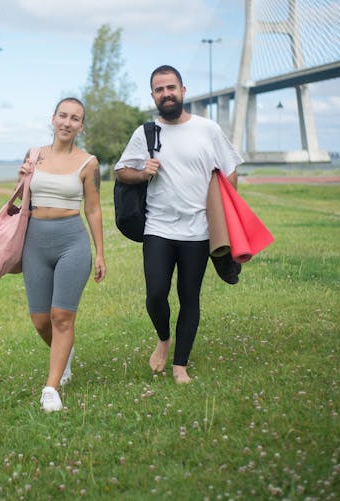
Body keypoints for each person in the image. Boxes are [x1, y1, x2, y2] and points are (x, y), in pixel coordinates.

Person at [114, 65, 242, 385]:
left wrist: (224, 216)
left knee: (189, 296)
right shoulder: (146, 133)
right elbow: (121, 172)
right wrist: (143, 172)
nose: (166, 93)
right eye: (159, 89)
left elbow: (230, 169)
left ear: (183, 91)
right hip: (158, 227)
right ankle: (163, 338)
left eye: (171, 87)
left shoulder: (207, 129)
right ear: (154, 96)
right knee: (155, 295)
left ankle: (180, 365)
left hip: (197, 230)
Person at [18, 97, 106, 412]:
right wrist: (22, 175)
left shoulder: (89, 162)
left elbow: (93, 209)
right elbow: (22, 198)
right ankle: (64, 356)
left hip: (72, 242)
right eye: (63, 116)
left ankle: (51, 388)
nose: (68, 122)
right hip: (35, 244)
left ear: (81, 126)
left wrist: (100, 253)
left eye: (75, 118)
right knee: (41, 319)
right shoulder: (34, 155)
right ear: (52, 119)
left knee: (62, 317)